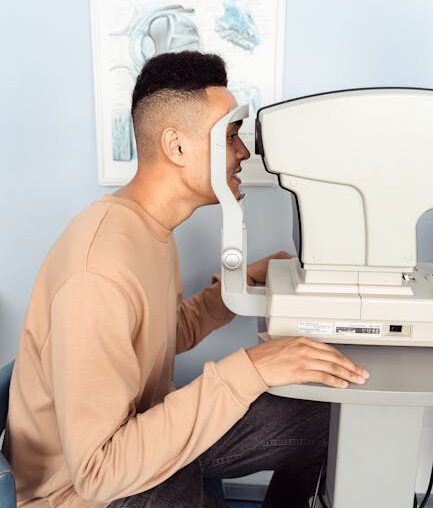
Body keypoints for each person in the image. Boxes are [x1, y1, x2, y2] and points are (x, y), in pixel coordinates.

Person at [4, 51, 369, 508]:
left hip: (139, 437)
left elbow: (160, 334)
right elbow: (99, 472)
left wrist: (231, 291)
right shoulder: (97, 272)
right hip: (84, 492)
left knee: (325, 416)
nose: (243, 153)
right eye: (231, 136)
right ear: (176, 147)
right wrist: (251, 370)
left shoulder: (145, 229)